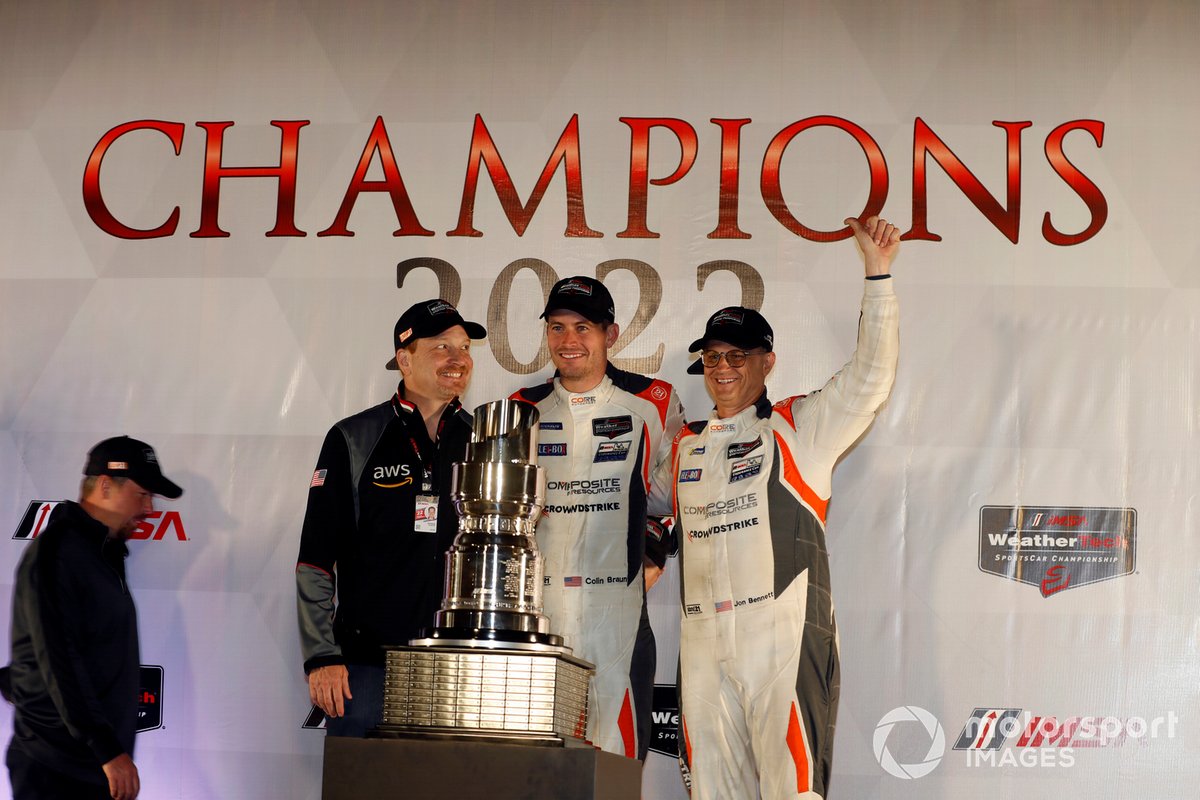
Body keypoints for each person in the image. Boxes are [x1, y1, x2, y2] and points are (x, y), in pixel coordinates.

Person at [666, 216, 901, 799]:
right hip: (701, 641)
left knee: (792, 791)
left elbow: (871, 377)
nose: (723, 369)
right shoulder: (682, 445)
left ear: (767, 362)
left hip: (782, 632)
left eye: (737, 357)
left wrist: (878, 275)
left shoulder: (798, 427)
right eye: (713, 358)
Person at [511, 275, 685, 760]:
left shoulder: (653, 402)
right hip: (538, 610)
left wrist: (653, 551)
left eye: (583, 328)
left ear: (610, 334)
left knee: (617, 761)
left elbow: (676, 495)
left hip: (618, 608)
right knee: (538, 761)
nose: (568, 342)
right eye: (557, 328)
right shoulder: (521, 409)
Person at [296, 299, 486, 736]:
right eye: (442, 347)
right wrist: (322, 655)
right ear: (405, 359)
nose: (459, 359)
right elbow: (315, 560)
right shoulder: (354, 436)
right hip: (366, 667)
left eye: (464, 347)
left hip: (458, 666)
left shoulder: (484, 441)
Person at [6, 436, 183, 800]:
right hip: (57, 768)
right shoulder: (59, 552)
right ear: (104, 485)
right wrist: (105, 748)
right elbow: (58, 660)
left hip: (91, 765)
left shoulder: (103, 552)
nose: (149, 508)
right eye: (143, 494)